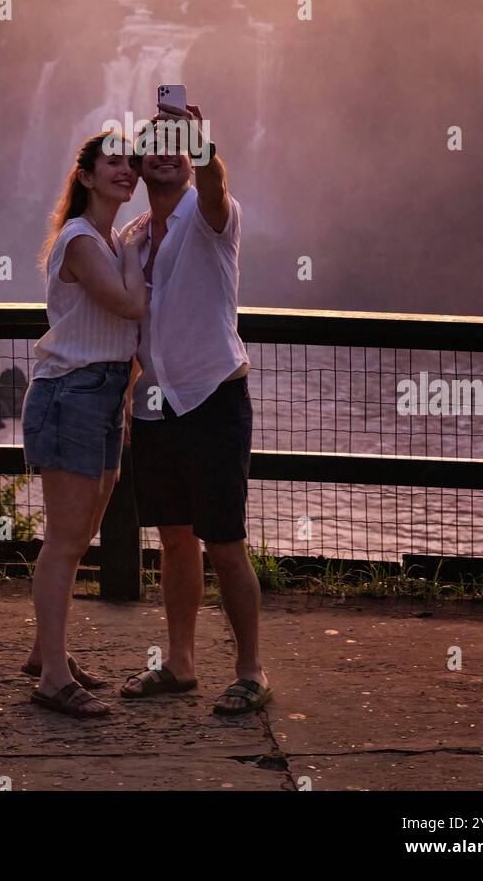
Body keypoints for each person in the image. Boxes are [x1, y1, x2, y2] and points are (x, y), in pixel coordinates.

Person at [120, 105, 272, 714]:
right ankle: (180, 664)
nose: (165, 153)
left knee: (226, 540)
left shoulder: (213, 218)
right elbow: (137, 329)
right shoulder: (132, 238)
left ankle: (251, 671)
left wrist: (199, 139)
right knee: (174, 541)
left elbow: (216, 184)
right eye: (153, 145)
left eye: (176, 146)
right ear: (136, 164)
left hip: (212, 398)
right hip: (156, 406)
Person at [20, 133, 146, 718]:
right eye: (113, 161)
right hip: (70, 393)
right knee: (65, 539)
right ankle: (51, 679)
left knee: (83, 530)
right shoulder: (80, 241)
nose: (126, 169)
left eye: (131, 162)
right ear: (88, 177)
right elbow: (127, 305)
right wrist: (150, 249)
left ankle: (45, 652)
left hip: (103, 394)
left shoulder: (111, 238)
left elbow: (122, 326)